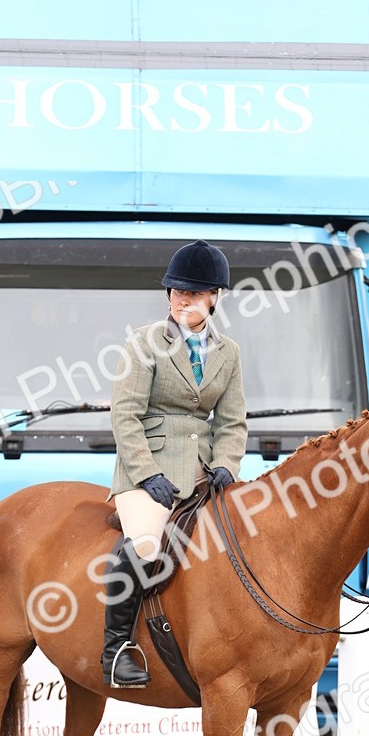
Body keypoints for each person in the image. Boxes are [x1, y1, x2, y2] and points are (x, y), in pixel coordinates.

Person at [102, 240, 247, 688]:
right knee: (145, 545)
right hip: (146, 470)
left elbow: (232, 420)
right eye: (176, 290)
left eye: (194, 291)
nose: (182, 298)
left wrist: (226, 463)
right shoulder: (145, 342)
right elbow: (124, 413)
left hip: (202, 472)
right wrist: (147, 474)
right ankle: (116, 648)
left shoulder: (229, 353)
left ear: (214, 298)